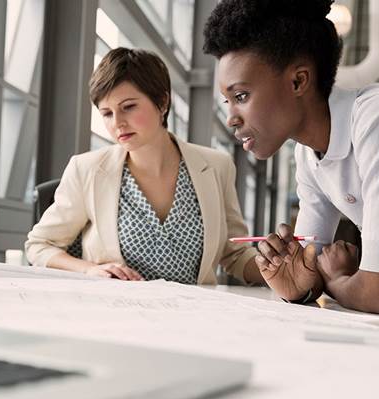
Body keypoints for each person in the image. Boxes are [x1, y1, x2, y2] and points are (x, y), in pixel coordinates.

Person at [203, 0, 379, 324]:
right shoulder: (308, 157)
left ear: (298, 81)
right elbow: (307, 269)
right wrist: (297, 286)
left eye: (241, 97)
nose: (230, 119)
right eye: (227, 102)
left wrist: (336, 281)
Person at [25, 47, 264, 285]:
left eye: (128, 107)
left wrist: (283, 270)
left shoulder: (216, 166)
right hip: (115, 313)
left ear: (162, 102)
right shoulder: (86, 169)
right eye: (107, 113)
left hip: (192, 315)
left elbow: (235, 254)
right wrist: (88, 269)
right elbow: (39, 245)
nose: (117, 123)